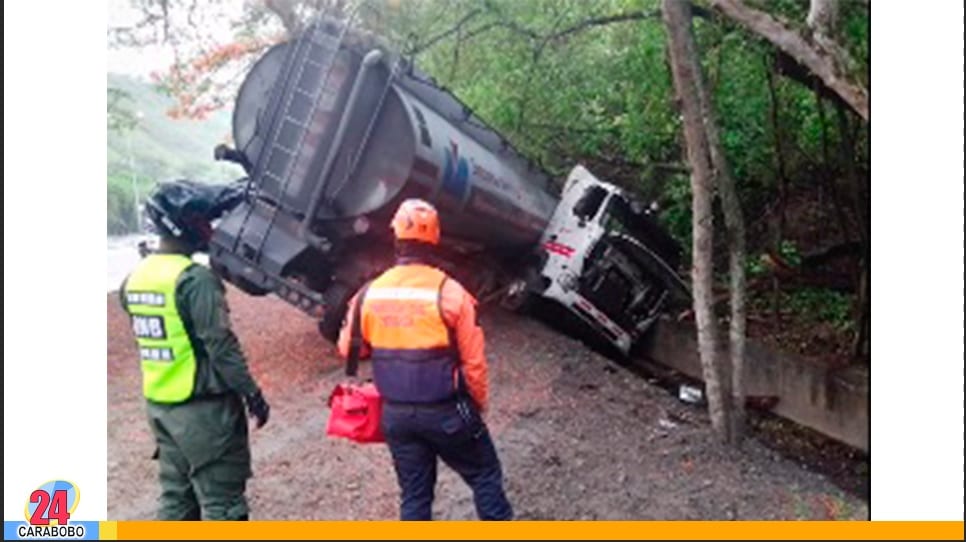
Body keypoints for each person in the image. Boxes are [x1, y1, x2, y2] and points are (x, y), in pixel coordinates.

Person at [337, 199, 513, 521]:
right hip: (448, 414)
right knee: (484, 474)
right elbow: (474, 363)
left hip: (396, 417)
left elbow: (348, 348)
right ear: (434, 240)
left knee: (415, 496)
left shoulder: (368, 293)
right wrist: (478, 407)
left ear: (395, 239)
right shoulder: (451, 293)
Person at [119, 180, 270, 521]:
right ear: (183, 224)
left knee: (177, 500)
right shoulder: (194, 279)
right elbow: (220, 345)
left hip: (162, 407)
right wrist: (251, 392)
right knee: (224, 507)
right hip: (205, 413)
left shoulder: (136, 278)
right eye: (202, 220)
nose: (209, 228)